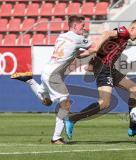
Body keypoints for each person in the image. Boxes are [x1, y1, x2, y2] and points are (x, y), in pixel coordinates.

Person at [11, 15, 97, 144]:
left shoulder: (62, 36)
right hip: (54, 75)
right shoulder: (77, 38)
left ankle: (30, 80)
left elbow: (75, 53)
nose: (84, 28)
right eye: (82, 26)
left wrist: (80, 53)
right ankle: (56, 137)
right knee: (66, 103)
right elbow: (95, 48)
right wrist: (108, 36)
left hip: (46, 71)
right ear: (74, 26)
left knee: (47, 102)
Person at [64, 18, 136, 139]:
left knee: (134, 89)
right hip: (104, 68)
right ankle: (72, 119)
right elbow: (106, 33)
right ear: (132, 28)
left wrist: (93, 58)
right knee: (105, 103)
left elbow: (106, 47)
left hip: (109, 68)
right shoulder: (124, 32)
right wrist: (94, 49)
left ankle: (133, 127)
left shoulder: (125, 39)